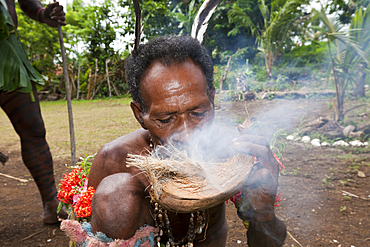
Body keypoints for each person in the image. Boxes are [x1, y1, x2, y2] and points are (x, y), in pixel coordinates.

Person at [88, 36, 287, 246]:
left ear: (212, 99)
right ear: (140, 115)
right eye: (165, 119)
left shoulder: (234, 153)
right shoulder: (114, 159)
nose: (186, 134)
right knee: (116, 193)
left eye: (198, 114)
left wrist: (264, 215)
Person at [0, 0, 67, 224]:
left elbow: (27, 2)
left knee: (34, 130)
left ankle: (51, 202)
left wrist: (43, 13)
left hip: (8, 55)